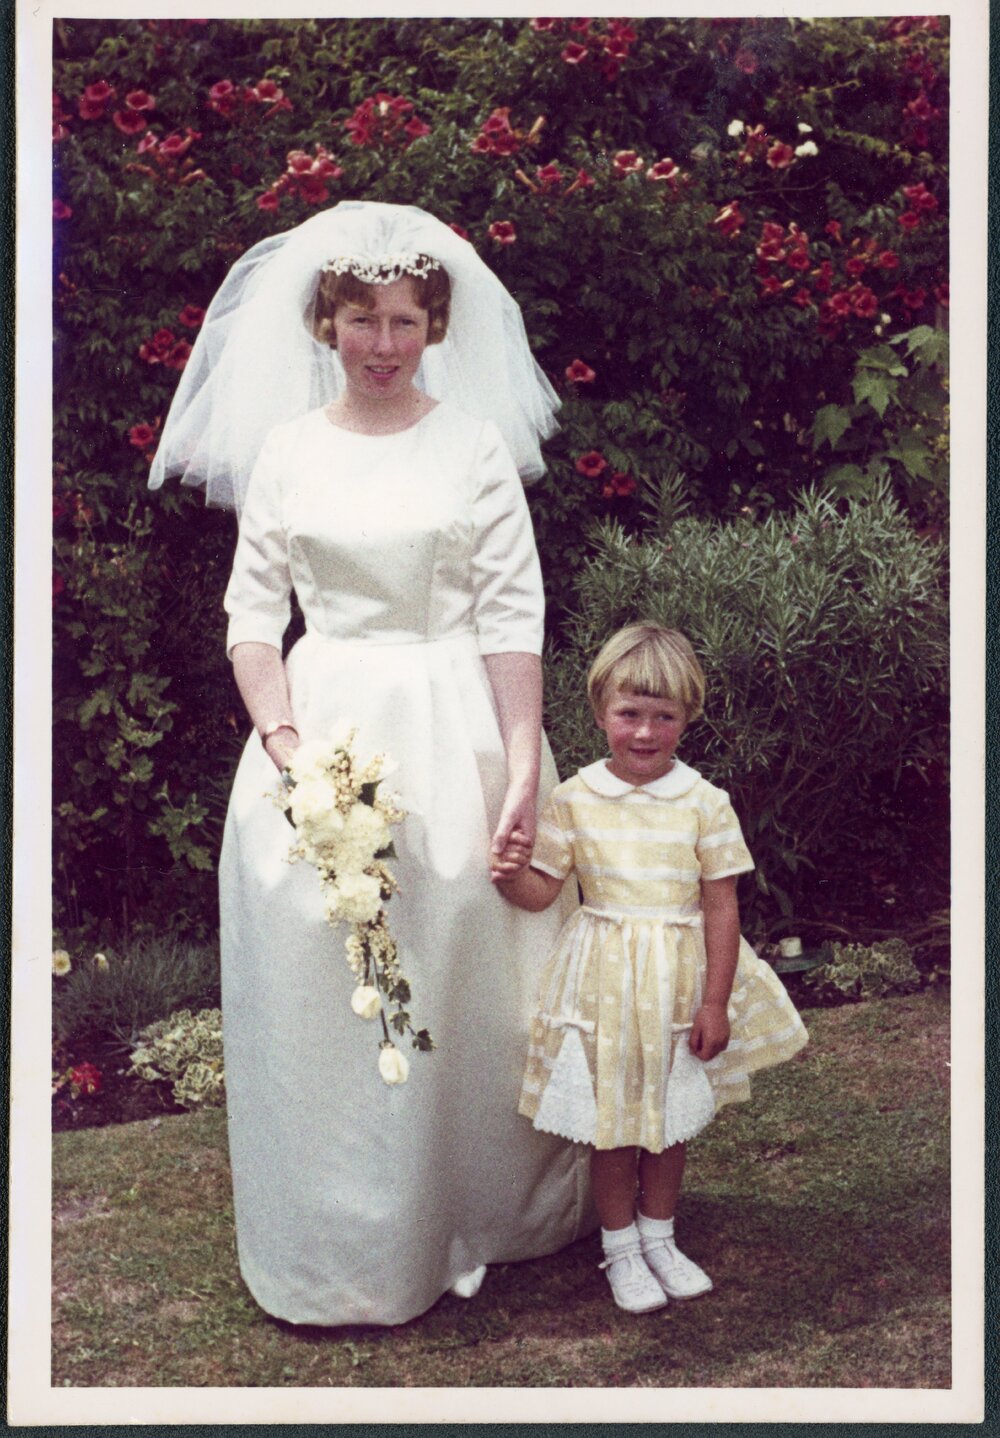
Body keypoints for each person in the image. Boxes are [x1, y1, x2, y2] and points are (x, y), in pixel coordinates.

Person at [148, 201, 592, 1327]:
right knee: (329, 989)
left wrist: (524, 764)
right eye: (360, 319)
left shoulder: (472, 444)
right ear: (325, 324)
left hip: (455, 728)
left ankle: (482, 1211)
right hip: (324, 729)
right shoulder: (288, 453)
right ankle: (345, 1235)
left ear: (433, 325)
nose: (382, 342)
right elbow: (252, 619)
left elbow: (510, 614)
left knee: (464, 976)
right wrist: (289, 751)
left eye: (402, 319)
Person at [491, 622, 809, 1314]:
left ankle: (660, 1237)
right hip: (603, 984)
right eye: (628, 714)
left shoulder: (704, 803)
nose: (643, 732)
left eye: (662, 716)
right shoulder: (574, 797)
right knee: (615, 1124)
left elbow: (721, 908)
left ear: (686, 718)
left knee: (665, 1121)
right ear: (601, 710)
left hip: (676, 984)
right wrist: (508, 876)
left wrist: (715, 1003)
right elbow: (543, 889)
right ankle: (621, 1250)